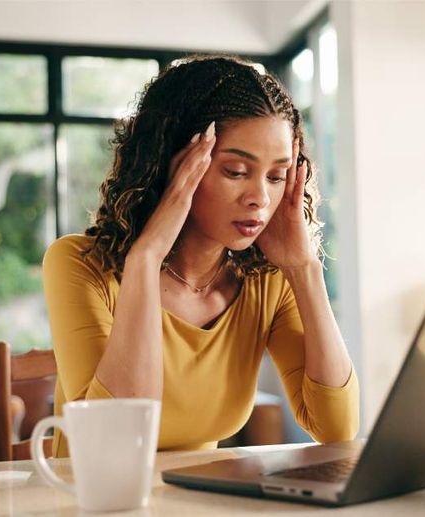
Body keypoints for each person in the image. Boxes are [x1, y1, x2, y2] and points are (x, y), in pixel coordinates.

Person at [42, 55, 358, 455]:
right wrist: (146, 258)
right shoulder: (80, 264)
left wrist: (304, 268)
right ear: (172, 164)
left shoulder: (267, 281)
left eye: (276, 176)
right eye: (236, 171)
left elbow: (337, 428)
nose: (260, 198)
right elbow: (114, 441)